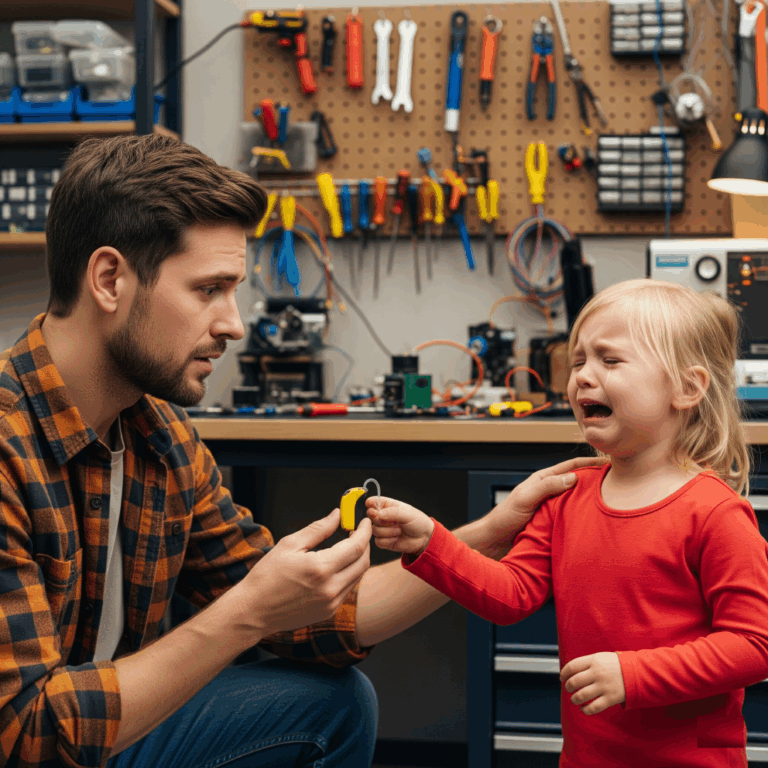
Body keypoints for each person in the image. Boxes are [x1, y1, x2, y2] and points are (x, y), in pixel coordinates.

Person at [0, 132, 607, 768]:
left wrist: (484, 536)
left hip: (104, 737)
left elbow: (313, 621)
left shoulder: (159, 439)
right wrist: (245, 614)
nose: (233, 323)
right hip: (37, 744)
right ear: (108, 279)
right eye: (209, 289)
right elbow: (27, 736)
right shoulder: (11, 449)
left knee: (332, 702)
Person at [366, 277, 768, 767]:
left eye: (609, 360)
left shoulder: (715, 512)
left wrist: (634, 675)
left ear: (687, 388)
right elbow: (512, 595)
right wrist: (432, 542)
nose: (582, 376)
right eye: (579, 361)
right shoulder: (567, 497)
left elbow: (752, 644)